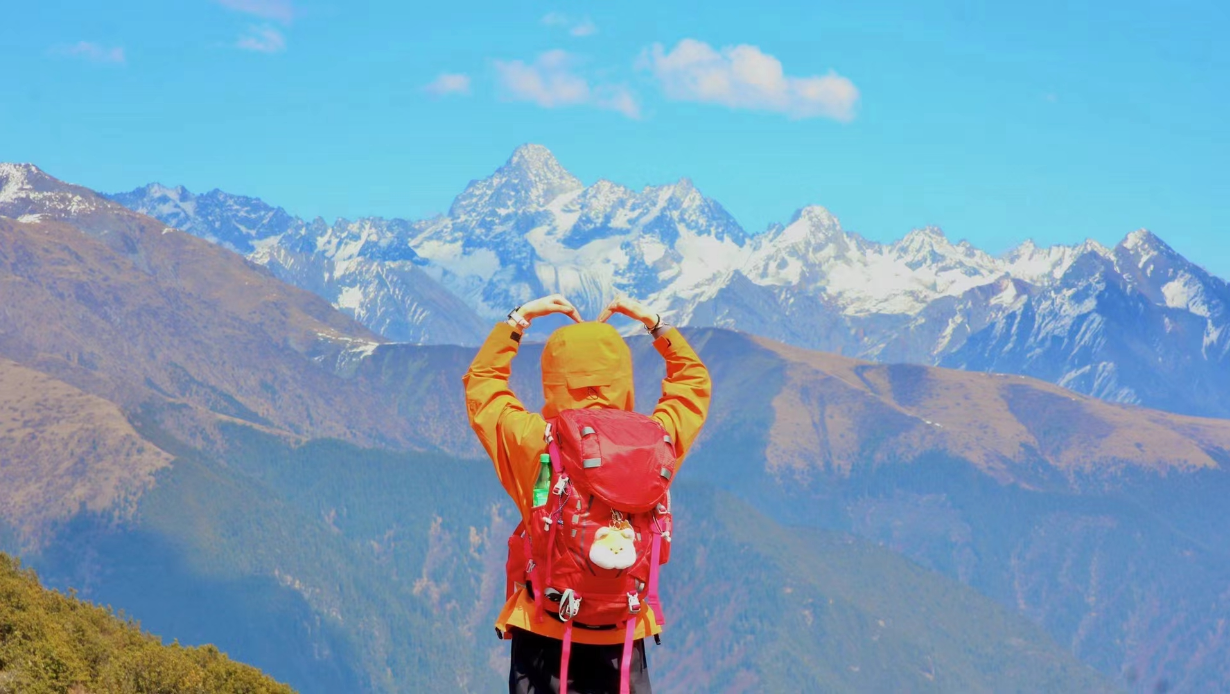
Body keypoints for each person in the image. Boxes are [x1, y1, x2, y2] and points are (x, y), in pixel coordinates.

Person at [462, 294, 712, 694]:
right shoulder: (657, 444)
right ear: (623, 377)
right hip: (624, 637)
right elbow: (693, 386)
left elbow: (483, 388)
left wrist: (518, 320)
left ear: (554, 378)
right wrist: (655, 324)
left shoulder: (534, 442)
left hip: (544, 633)